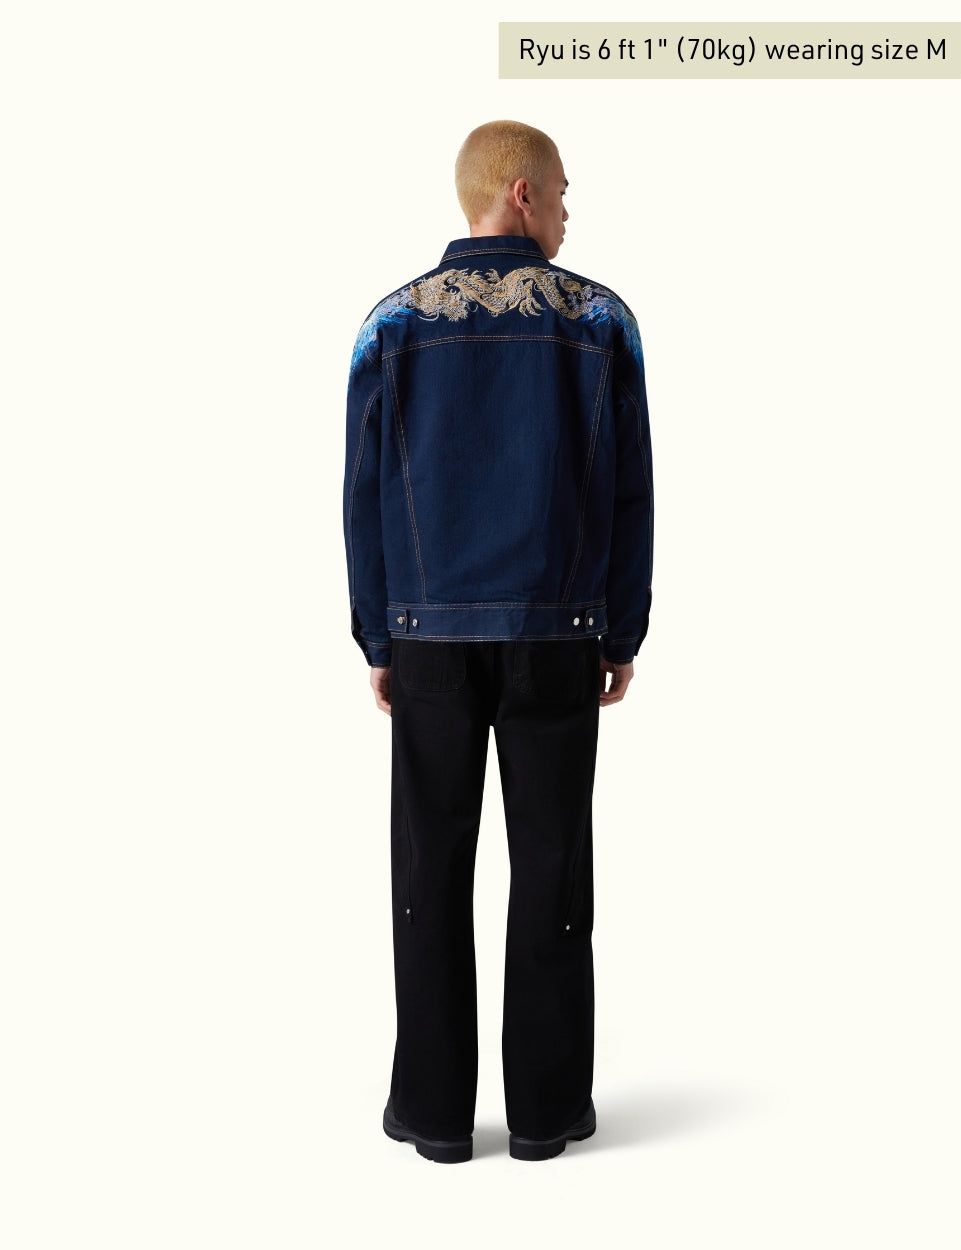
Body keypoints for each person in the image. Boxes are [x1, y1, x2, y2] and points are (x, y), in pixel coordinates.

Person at [343, 120, 653, 1163]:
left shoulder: (392, 323)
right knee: (553, 873)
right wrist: (621, 626)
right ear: (519, 192)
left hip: (427, 637)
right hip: (558, 634)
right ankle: (546, 1114)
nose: (568, 211)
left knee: (429, 874)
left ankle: (435, 1117)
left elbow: (362, 493)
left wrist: (377, 634)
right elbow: (630, 490)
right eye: (560, 192)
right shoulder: (600, 320)